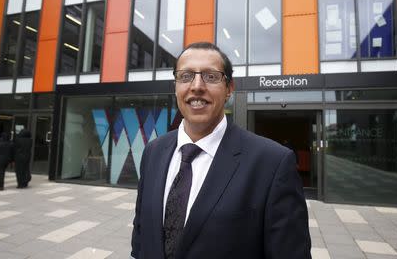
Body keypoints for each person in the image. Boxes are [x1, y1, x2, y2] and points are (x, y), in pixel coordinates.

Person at [131, 42, 311, 259]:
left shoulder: (272, 163)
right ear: (175, 86)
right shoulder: (153, 152)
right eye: (186, 76)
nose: (196, 86)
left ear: (229, 89)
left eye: (211, 76)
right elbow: (141, 236)